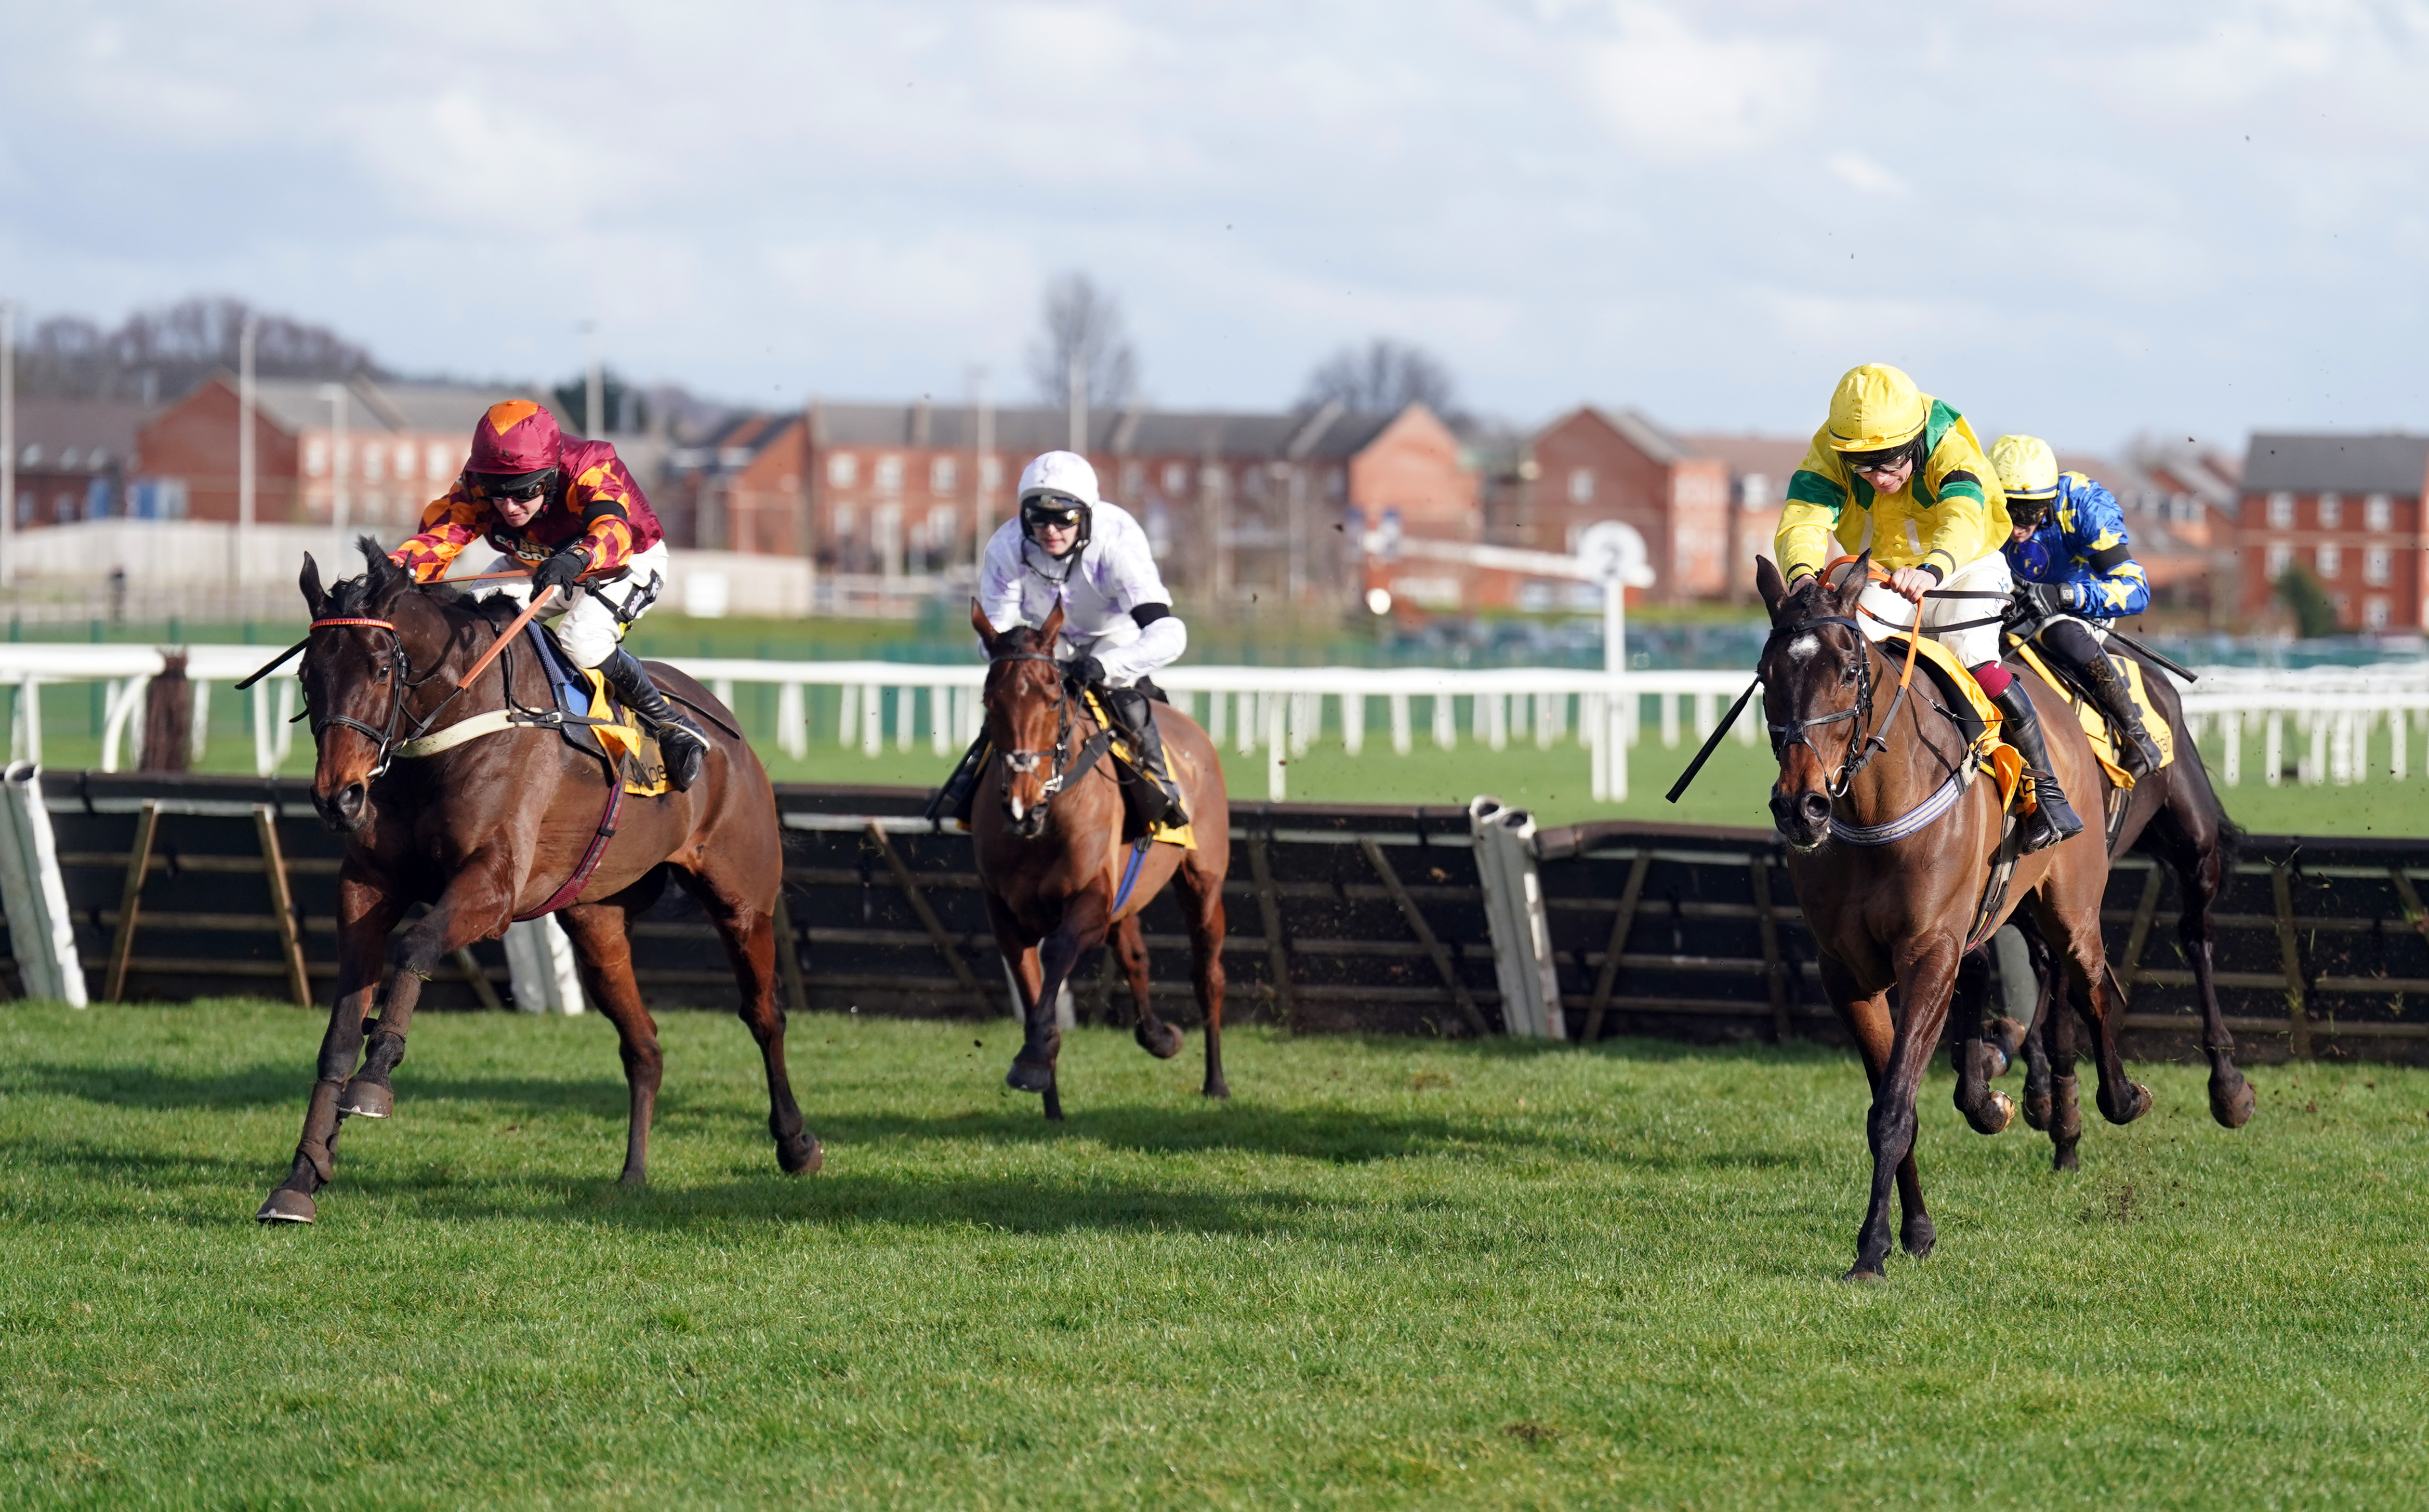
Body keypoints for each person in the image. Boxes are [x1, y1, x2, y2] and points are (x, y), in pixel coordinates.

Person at [1774, 363, 2083, 850]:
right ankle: (1825, 787)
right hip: (1888, 572)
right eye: (1864, 464)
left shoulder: (1947, 441)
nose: (1877, 476)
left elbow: (1963, 517)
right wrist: (1803, 578)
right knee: (1838, 661)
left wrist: (1934, 569)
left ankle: (2043, 789)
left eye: (1890, 461)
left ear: (1914, 438)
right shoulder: (1831, 451)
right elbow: (1803, 521)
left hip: (1966, 564)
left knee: (1971, 656)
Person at [387, 400, 710, 791]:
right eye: (496, 492)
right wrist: (388, 578)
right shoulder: (479, 482)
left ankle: (670, 723)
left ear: (550, 476)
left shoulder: (588, 467)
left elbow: (615, 532)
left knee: (582, 640)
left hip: (624, 561)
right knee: (469, 631)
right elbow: (439, 538)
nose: (507, 507)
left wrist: (575, 559)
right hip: (535, 562)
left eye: (522, 493)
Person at [931, 449, 1189, 827]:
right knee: (1014, 703)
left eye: (1064, 518)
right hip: (1049, 644)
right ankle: (969, 787)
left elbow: (1170, 633)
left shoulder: (1117, 546)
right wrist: (1019, 665)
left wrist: (1106, 665)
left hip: (1115, 637)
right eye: (1038, 518)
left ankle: (1162, 789)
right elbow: (996, 634)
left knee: (1126, 701)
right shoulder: (1006, 548)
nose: (1050, 530)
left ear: (1085, 517)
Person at [1989, 434, 2164, 775]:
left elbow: (2136, 589)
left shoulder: (2083, 504)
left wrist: (2065, 595)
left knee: (2061, 633)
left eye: (2027, 512)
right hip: (2003, 609)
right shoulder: (1975, 503)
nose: (2016, 527)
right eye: (2006, 511)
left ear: (2050, 500)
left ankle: (2135, 735)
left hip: (2075, 612)